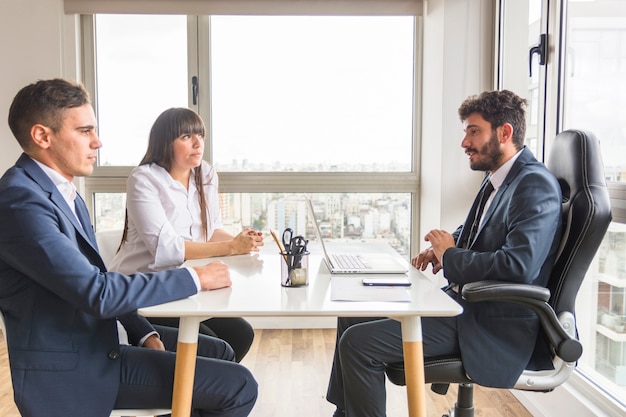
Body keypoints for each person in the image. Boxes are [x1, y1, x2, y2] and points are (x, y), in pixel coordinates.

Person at [0, 78, 258, 417]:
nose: (97, 142)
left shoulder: (63, 194)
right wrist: (197, 278)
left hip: (100, 338)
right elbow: (96, 291)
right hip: (76, 367)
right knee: (239, 386)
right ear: (42, 136)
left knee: (221, 351)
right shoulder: (21, 202)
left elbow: (95, 274)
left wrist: (142, 330)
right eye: (84, 131)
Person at [326, 90, 563, 417]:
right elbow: (478, 233)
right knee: (352, 314)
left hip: (489, 325)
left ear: (505, 133)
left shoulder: (534, 184)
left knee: (358, 344)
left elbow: (518, 266)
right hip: (465, 307)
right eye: (466, 132)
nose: (465, 142)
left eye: (474, 131)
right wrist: (441, 248)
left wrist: (451, 256)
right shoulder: (500, 180)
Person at [109, 107, 263, 362]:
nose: (197, 143)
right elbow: (167, 249)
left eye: (200, 136)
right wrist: (231, 247)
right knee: (216, 346)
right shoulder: (144, 179)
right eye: (186, 137)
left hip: (184, 284)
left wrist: (241, 241)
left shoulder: (205, 173)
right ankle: (197, 396)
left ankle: (205, 396)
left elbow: (210, 230)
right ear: (165, 142)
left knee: (240, 334)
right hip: (143, 290)